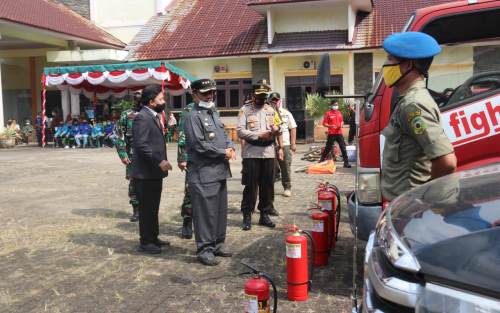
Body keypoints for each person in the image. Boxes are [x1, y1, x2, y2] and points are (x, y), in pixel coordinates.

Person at [380, 31, 457, 202]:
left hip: (409, 209)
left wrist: (425, 200)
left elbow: (446, 162)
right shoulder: (407, 101)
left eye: (390, 59)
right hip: (402, 205)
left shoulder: (414, 105)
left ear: (408, 65)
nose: (385, 64)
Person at [184, 79, 236, 266]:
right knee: (205, 213)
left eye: (212, 92)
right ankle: (205, 248)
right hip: (203, 173)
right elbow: (199, 145)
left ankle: (218, 244)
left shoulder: (212, 113)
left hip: (220, 171)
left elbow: (223, 135)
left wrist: (231, 146)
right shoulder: (192, 117)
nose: (210, 95)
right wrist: (223, 152)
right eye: (206, 93)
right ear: (195, 94)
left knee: (220, 211)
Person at [131, 85, 172, 254]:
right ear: (151, 102)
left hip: (153, 173)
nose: (164, 102)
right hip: (145, 174)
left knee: (153, 208)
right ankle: (146, 242)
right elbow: (141, 145)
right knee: (147, 209)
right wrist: (159, 161)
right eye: (161, 99)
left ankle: (153, 237)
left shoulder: (154, 116)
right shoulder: (142, 117)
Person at [237, 80, 283, 231]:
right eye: (259, 96)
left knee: (267, 186)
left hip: (269, 152)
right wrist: (258, 135)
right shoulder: (245, 110)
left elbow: (279, 125)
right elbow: (240, 131)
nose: (262, 99)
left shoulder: (271, 109)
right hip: (252, 153)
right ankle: (247, 215)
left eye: (264, 96)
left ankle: (264, 214)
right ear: (253, 95)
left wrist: (276, 129)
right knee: (250, 185)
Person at [115, 91, 142, 222]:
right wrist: (122, 154)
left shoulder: (151, 114)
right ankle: (136, 210)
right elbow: (119, 135)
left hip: (149, 155)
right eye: (137, 99)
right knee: (134, 182)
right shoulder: (126, 115)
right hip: (132, 154)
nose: (139, 102)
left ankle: (147, 209)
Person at [268, 92, 297, 197]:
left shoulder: (286, 113)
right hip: (269, 144)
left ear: (279, 101)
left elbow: (293, 127)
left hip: (284, 143)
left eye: (276, 100)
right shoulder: (265, 113)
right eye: (272, 100)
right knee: (269, 167)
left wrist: (293, 143)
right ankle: (267, 188)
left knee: (285, 166)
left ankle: (287, 187)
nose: (274, 102)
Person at [176, 100, 195, 239]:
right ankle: (187, 222)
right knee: (190, 190)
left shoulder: (212, 108)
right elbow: (182, 133)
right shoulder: (189, 109)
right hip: (193, 158)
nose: (210, 95)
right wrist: (182, 157)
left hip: (209, 157)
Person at [319, 100, 351, 168]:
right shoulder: (328, 113)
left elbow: (342, 121)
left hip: (339, 133)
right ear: (331, 105)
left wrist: (341, 124)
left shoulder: (339, 113)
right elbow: (324, 123)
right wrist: (330, 126)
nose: (336, 106)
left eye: (337, 105)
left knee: (343, 148)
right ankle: (321, 160)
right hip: (331, 133)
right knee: (328, 148)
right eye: (334, 105)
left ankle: (346, 163)